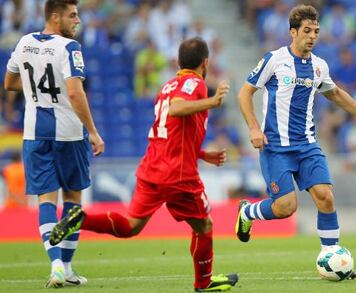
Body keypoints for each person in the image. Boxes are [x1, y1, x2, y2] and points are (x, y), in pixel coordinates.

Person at [49, 37, 239, 292]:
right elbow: (177, 109)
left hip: (152, 168)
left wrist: (202, 154)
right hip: (178, 175)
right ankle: (203, 282)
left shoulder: (168, 85)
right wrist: (213, 102)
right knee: (204, 225)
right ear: (205, 63)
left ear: (179, 62)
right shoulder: (196, 83)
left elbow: (173, 131)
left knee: (131, 226)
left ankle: (81, 219)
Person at [235, 4, 356, 279]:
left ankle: (331, 256)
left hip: (307, 145)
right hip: (276, 148)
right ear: (293, 32)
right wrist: (254, 129)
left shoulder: (319, 66)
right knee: (285, 208)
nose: (312, 36)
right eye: (307, 31)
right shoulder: (274, 59)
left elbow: (336, 94)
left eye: (316, 31)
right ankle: (247, 212)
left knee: (325, 197)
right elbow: (244, 94)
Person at [4, 0, 105, 288]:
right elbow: (75, 93)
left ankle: (56, 265)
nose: (77, 20)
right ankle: (69, 267)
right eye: (72, 15)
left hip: (34, 133)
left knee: (46, 200)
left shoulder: (24, 43)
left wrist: (36, 88)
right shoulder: (69, 48)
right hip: (69, 133)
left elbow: (10, 83)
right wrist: (94, 131)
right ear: (55, 16)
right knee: (73, 199)